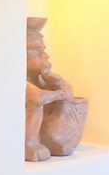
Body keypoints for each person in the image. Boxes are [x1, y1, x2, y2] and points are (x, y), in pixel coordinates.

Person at [25, 18, 73, 161]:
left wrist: (54, 80)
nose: (46, 56)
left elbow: (67, 91)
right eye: (37, 52)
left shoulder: (39, 78)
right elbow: (38, 97)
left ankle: (47, 139)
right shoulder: (22, 82)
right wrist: (60, 94)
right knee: (35, 108)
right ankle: (29, 143)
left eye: (43, 51)